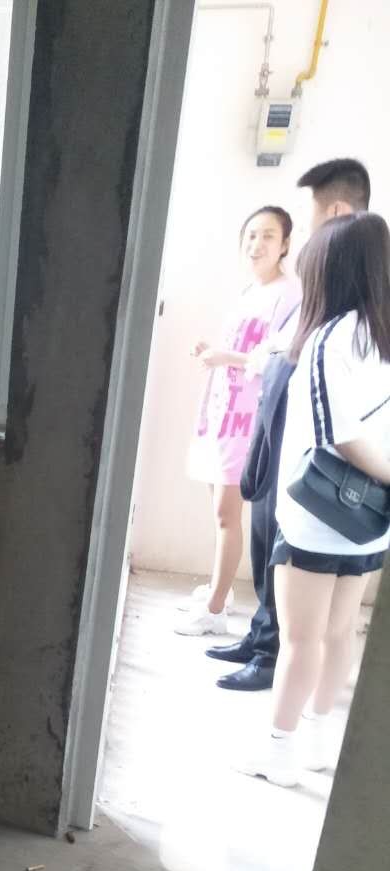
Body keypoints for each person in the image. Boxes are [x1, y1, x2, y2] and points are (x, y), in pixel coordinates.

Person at [237, 212, 390, 787]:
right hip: (372, 518)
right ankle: (320, 741)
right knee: (340, 632)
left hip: (321, 515)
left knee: (301, 641)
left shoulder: (331, 339)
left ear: (333, 270)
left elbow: (337, 435)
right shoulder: (381, 332)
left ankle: (279, 754)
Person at [208, 158, 372, 689]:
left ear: (337, 211)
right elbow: (284, 347)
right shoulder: (327, 281)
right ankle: (260, 637)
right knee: (263, 532)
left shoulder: (350, 286)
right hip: (277, 418)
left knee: (285, 548)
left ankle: (271, 655)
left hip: (308, 444)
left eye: (309, 218)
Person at [176, 207, 301, 637]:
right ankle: (221, 588)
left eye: (268, 236)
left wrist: (224, 357)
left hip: (247, 420)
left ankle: (214, 611)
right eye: (250, 236)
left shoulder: (290, 294)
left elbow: (279, 358)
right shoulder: (251, 290)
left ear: (285, 244)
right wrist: (212, 351)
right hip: (222, 410)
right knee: (219, 510)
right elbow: (243, 348)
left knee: (227, 514)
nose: (256, 244)